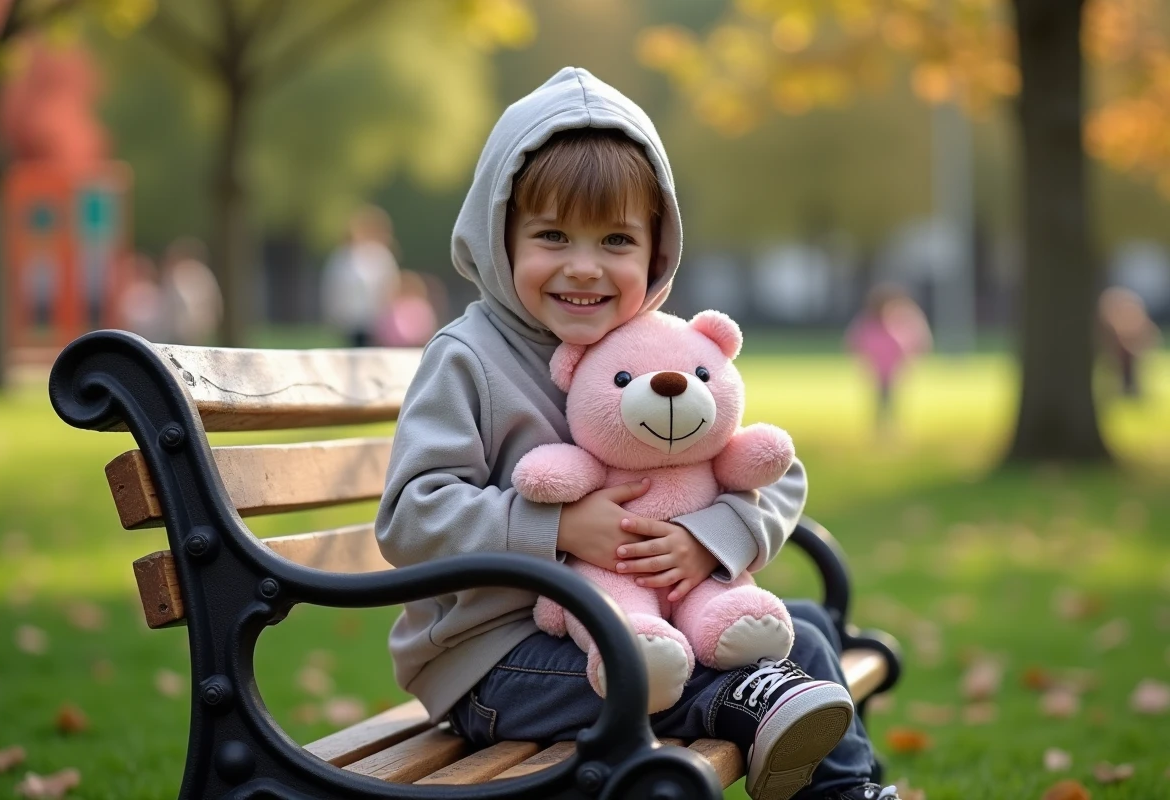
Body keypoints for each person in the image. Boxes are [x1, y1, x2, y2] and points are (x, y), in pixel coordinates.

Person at [375, 67, 896, 800]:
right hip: (497, 662)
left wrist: (709, 536)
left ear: (656, 250)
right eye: (551, 235)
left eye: (615, 239)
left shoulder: (656, 346)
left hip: (645, 623)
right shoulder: (467, 359)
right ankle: (774, 731)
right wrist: (556, 528)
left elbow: (775, 472)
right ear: (501, 237)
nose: (583, 268)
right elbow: (409, 516)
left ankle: (850, 792)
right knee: (735, 673)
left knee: (805, 632)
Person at [844, 284, 931, 431]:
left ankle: (889, 428)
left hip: (893, 369)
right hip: (878, 369)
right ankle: (882, 428)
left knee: (890, 399)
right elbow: (854, 342)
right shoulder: (869, 322)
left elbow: (916, 341)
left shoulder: (900, 318)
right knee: (881, 400)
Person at [320, 206, 401, 347]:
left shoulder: (380, 255)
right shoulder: (342, 257)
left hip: (375, 321)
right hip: (350, 320)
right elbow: (334, 288)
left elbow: (389, 286)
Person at [1098, 286, 1162, 398]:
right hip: (1120, 343)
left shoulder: (1137, 316)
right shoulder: (1113, 316)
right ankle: (1125, 387)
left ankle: (1131, 388)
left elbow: (1151, 335)